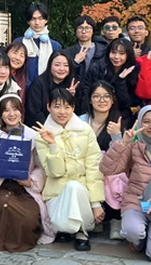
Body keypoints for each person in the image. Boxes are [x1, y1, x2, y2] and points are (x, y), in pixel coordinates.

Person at [99, 105, 151, 263]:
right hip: (136, 202)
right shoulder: (133, 148)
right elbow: (107, 168)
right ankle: (139, 241)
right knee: (132, 231)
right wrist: (122, 142)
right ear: (139, 124)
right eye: (146, 122)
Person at [0, 94, 55, 251]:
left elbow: (40, 167)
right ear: (1, 114)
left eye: (15, 109)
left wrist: (30, 180)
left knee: (28, 216)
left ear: (21, 112)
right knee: (3, 206)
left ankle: (22, 237)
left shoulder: (33, 136)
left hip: (25, 188)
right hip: (0, 186)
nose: (11, 114)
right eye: (6, 110)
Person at [34, 88, 104, 251]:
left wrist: (96, 203)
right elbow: (55, 172)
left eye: (67, 106)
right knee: (69, 191)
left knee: (74, 187)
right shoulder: (41, 135)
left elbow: (94, 166)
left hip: (82, 194)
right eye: (57, 106)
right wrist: (52, 145)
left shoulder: (85, 130)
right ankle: (69, 228)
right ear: (48, 107)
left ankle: (81, 232)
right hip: (56, 195)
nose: (62, 112)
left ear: (73, 107)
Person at [79, 81, 127, 240]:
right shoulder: (80, 122)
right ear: (90, 100)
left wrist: (116, 136)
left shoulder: (118, 122)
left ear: (112, 100)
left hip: (109, 168)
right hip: (84, 165)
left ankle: (115, 219)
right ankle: (93, 216)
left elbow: (122, 156)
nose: (102, 100)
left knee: (114, 176)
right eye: (96, 96)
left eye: (106, 96)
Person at [77, 38, 139, 121]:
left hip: (119, 116)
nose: (116, 57)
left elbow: (126, 103)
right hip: (94, 112)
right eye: (113, 52)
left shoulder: (133, 72)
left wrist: (120, 81)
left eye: (121, 53)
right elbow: (86, 91)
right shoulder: (97, 67)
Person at [13, 2, 62, 87]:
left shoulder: (55, 46)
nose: (37, 22)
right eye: (33, 19)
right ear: (28, 21)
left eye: (40, 18)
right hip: (22, 89)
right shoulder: (19, 43)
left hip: (47, 89)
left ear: (46, 20)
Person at [25, 51, 77, 127]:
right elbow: (34, 111)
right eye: (57, 65)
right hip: (43, 128)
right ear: (50, 65)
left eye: (66, 65)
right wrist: (50, 128)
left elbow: (77, 111)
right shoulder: (39, 83)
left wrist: (70, 97)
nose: (61, 69)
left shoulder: (73, 84)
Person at [63, 15, 108, 84]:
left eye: (87, 28)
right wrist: (75, 62)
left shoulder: (103, 51)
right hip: (76, 88)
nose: (84, 31)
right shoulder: (68, 52)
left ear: (93, 31)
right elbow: (64, 74)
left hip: (98, 88)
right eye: (80, 28)